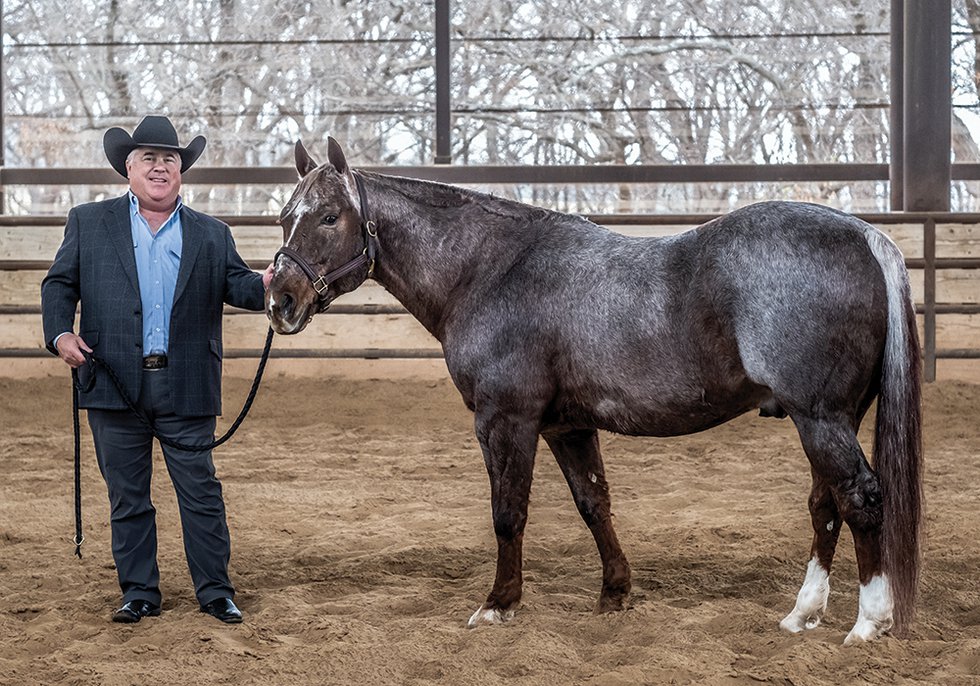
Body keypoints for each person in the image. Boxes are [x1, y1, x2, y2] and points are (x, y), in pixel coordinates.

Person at [41, 115, 273, 624]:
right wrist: (60, 334)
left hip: (185, 381)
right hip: (113, 382)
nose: (160, 167)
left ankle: (216, 591)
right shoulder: (88, 222)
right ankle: (140, 592)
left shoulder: (213, 234)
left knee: (201, 492)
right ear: (129, 168)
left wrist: (273, 282)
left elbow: (243, 288)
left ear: (181, 171)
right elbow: (58, 285)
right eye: (149, 158)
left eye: (170, 159)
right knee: (127, 496)